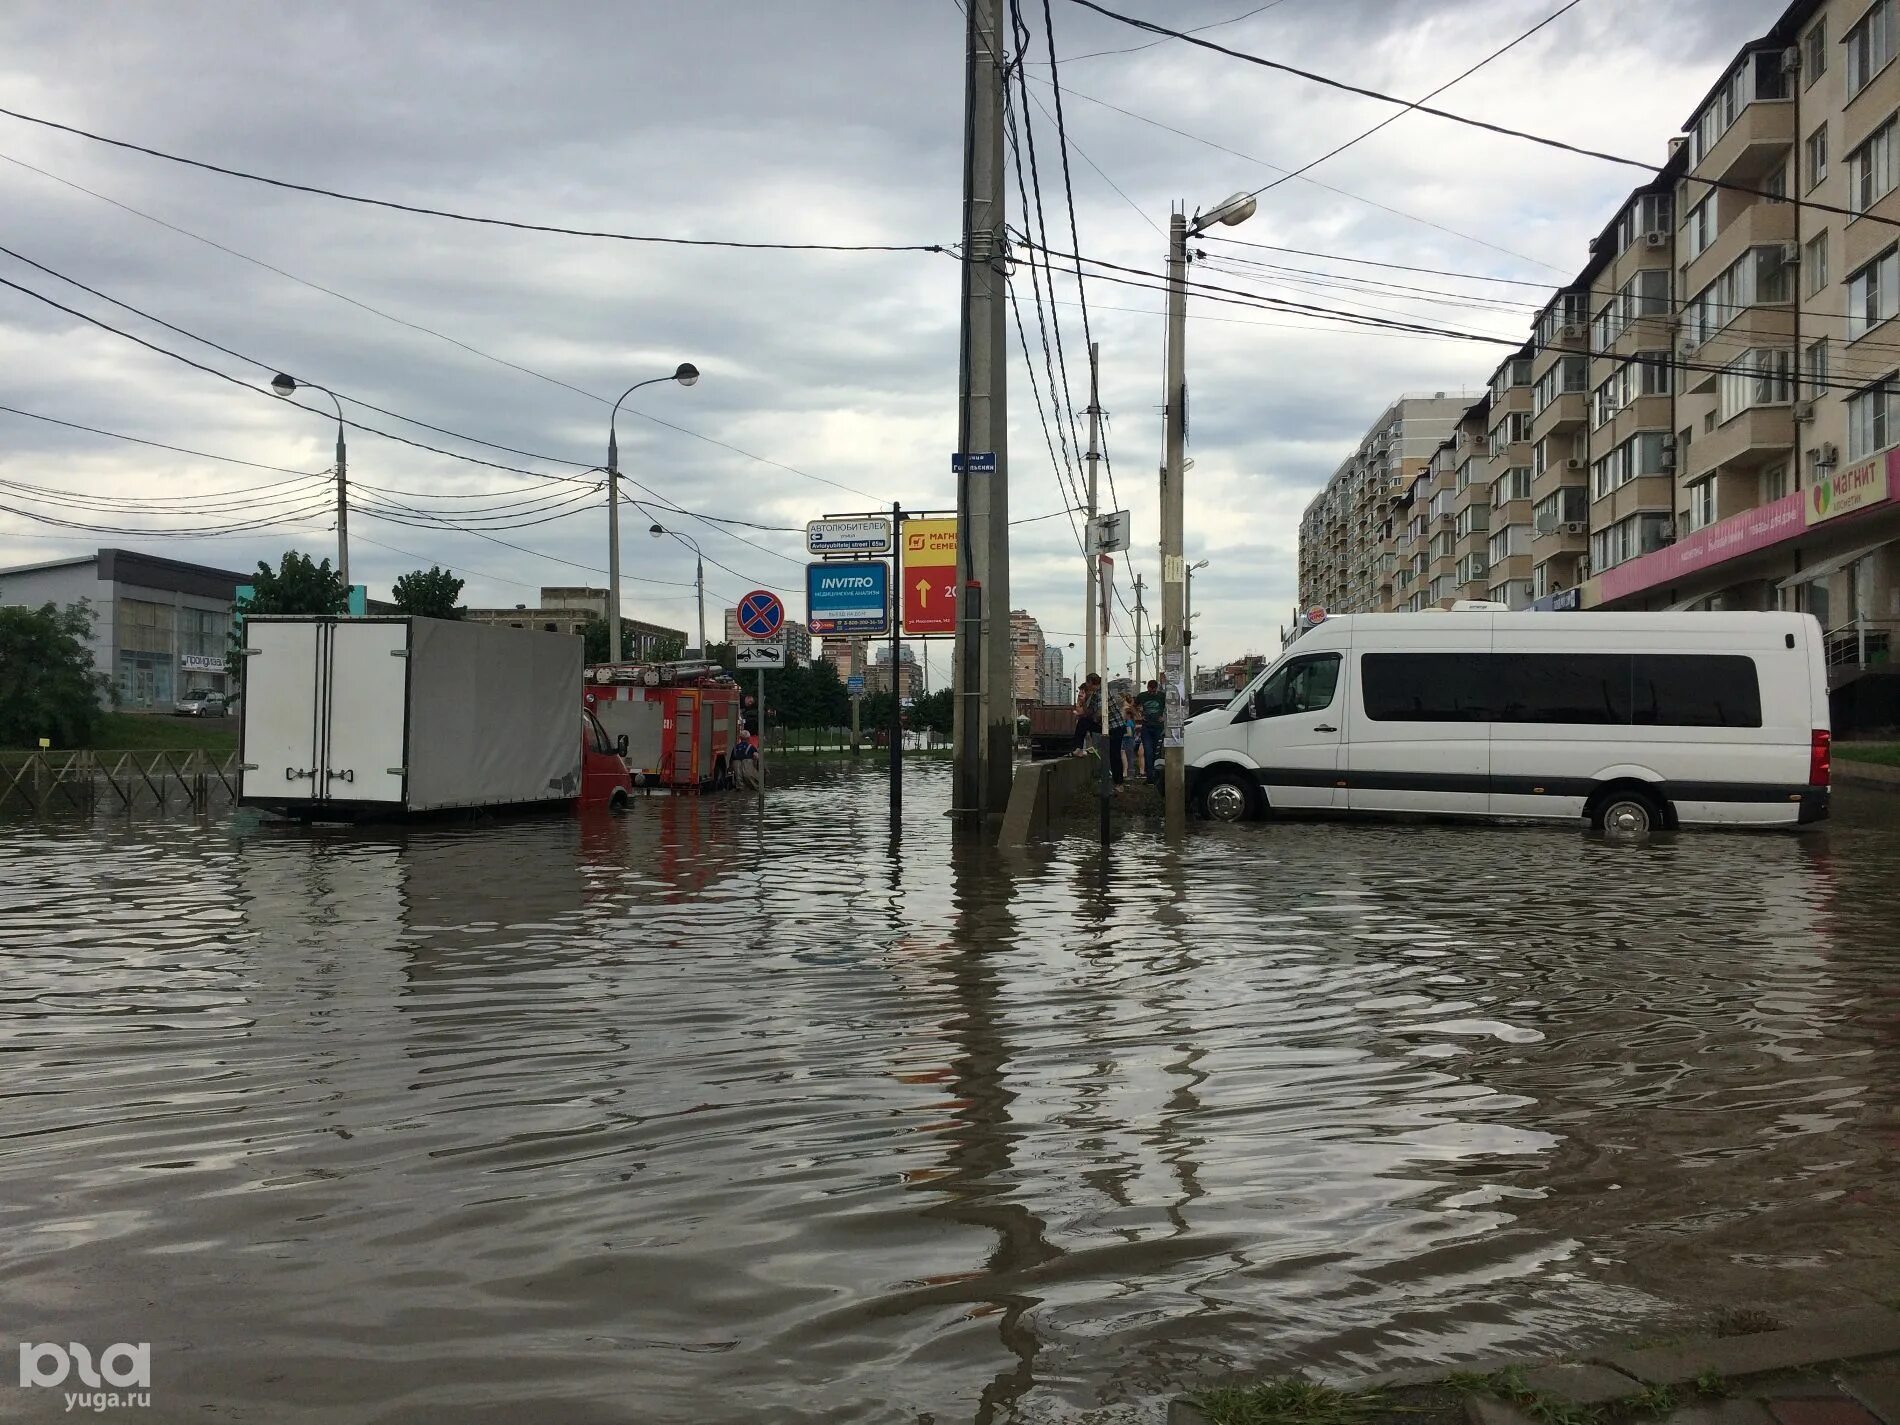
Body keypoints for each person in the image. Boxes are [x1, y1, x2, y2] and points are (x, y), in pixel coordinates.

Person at [1136, 678, 1165, 784]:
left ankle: (1157, 777)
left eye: (1154, 691)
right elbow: (1133, 706)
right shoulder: (1142, 696)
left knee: (1157, 753)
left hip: (1158, 727)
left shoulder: (1162, 696)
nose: (1152, 693)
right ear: (1147, 688)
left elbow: (1171, 706)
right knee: (1148, 752)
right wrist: (1139, 715)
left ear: (1157, 688)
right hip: (1147, 727)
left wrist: (1164, 717)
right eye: (1150, 691)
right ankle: (1150, 778)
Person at [1072, 674, 1102, 756]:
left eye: (1083, 692)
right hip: (1099, 724)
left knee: (1084, 722)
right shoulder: (1093, 697)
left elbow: (1098, 713)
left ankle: (1078, 748)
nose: (1080, 694)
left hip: (1106, 725)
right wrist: (1083, 703)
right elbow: (1088, 712)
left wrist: (1092, 718)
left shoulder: (1098, 694)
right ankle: (1078, 749)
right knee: (1083, 722)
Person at [1107, 693, 1129, 785]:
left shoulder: (1124, 708)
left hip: (1118, 728)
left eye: (1121, 697)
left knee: (1119, 753)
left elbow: (1123, 718)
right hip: (1119, 729)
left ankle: (1121, 775)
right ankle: (1120, 777)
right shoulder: (1120, 707)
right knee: (1118, 753)